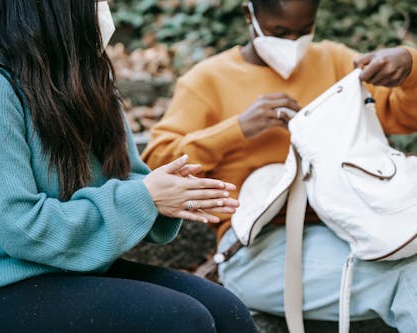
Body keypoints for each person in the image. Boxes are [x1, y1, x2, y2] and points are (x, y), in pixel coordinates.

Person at [0, 1, 259, 332]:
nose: (104, 10)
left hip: (82, 270)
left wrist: (171, 194)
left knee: (227, 310)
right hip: (2, 288)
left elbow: (133, 180)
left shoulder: (92, 81)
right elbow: (21, 227)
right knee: (184, 321)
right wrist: (144, 198)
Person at [142, 0, 417, 332]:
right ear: (249, 15)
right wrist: (238, 127)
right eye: (279, 32)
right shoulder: (207, 80)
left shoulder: (334, 60)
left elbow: (403, 116)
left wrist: (410, 66)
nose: (292, 43)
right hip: (255, 247)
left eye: (304, 31)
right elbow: (157, 164)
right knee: (409, 278)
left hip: (352, 223)